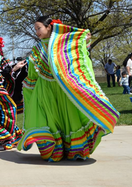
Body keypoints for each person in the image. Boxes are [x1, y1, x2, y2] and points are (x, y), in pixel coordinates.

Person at [17, 16, 119, 162]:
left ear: (49, 27)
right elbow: (33, 69)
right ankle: (54, 151)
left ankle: (74, 150)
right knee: (50, 120)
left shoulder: (63, 45)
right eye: (35, 29)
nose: (37, 32)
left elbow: (77, 59)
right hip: (45, 90)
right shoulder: (37, 48)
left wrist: (84, 42)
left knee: (70, 119)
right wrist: (29, 86)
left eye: (39, 28)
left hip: (63, 89)